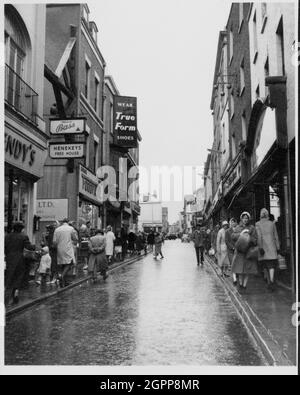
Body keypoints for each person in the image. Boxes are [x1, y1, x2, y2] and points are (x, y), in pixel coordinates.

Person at [5, 222, 31, 305]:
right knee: (18, 277)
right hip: (20, 259)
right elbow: (28, 247)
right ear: (21, 228)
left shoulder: (7, 236)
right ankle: (15, 294)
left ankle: (6, 298)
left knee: (9, 277)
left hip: (9, 258)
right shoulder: (24, 236)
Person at [231, 212, 258, 292]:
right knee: (240, 270)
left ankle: (244, 286)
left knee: (247, 271)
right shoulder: (238, 227)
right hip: (240, 252)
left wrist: (249, 237)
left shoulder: (252, 228)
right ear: (241, 219)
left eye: (246, 218)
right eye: (244, 218)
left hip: (248, 252)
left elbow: (255, 239)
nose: (245, 220)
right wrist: (241, 234)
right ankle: (240, 283)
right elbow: (233, 236)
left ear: (248, 219)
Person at [256, 208, 280, 292]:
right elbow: (276, 236)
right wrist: (278, 247)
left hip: (263, 248)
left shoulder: (257, 224)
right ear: (267, 215)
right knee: (271, 265)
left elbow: (259, 237)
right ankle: (272, 281)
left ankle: (269, 281)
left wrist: (260, 247)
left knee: (265, 265)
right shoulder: (272, 223)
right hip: (272, 247)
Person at [53, 218, 78, 287]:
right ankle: (62, 276)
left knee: (62, 264)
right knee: (70, 263)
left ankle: (64, 281)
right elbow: (75, 238)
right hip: (68, 248)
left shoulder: (57, 229)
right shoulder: (71, 229)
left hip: (59, 248)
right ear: (68, 222)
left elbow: (54, 241)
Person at [225, 218, 238, 285]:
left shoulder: (238, 230)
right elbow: (226, 241)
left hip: (238, 250)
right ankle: (234, 278)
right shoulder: (227, 231)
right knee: (232, 263)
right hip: (230, 250)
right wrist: (232, 247)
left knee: (237, 263)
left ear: (236, 223)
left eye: (234, 222)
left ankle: (236, 275)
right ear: (230, 223)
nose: (233, 223)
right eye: (231, 222)